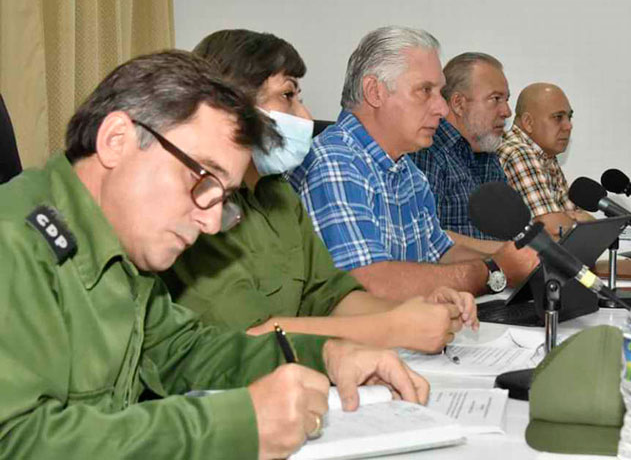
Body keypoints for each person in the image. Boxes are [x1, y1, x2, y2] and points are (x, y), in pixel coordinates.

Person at [0, 50, 428, 460]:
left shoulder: (122, 250)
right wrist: (237, 426)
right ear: (117, 140)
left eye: (222, 198)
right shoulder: (13, 244)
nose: (208, 224)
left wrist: (328, 354)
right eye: (202, 178)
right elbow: (15, 442)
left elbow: (185, 352)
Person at [161, 29, 476, 354]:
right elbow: (249, 334)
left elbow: (332, 295)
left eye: (300, 97)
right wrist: (391, 327)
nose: (307, 117)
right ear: (229, 105)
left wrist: (413, 310)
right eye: (287, 96)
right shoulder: (199, 206)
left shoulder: (278, 194)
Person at [288, 27, 538, 302]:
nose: (442, 109)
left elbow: (442, 252)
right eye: (425, 91)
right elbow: (369, 284)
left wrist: (517, 259)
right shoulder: (335, 163)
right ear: (375, 92)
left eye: (439, 92)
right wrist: (493, 271)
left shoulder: (408, 172)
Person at [410, 52, 509, 240]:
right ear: (458, 104)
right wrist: (503, 253)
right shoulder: (428, 150)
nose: (507, 111)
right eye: (496, 99)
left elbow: (507, 227)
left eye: (506, 99)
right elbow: (426, 239)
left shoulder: (487, 153)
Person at [499, 83, 593, 238]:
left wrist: (573, 218)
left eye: (569, 117)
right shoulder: (518, 152)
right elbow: (552, 227)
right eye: (558, 117)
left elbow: (569, 217)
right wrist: (578, 219)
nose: (568, 126)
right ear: (528, 122)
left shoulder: (546, 156)